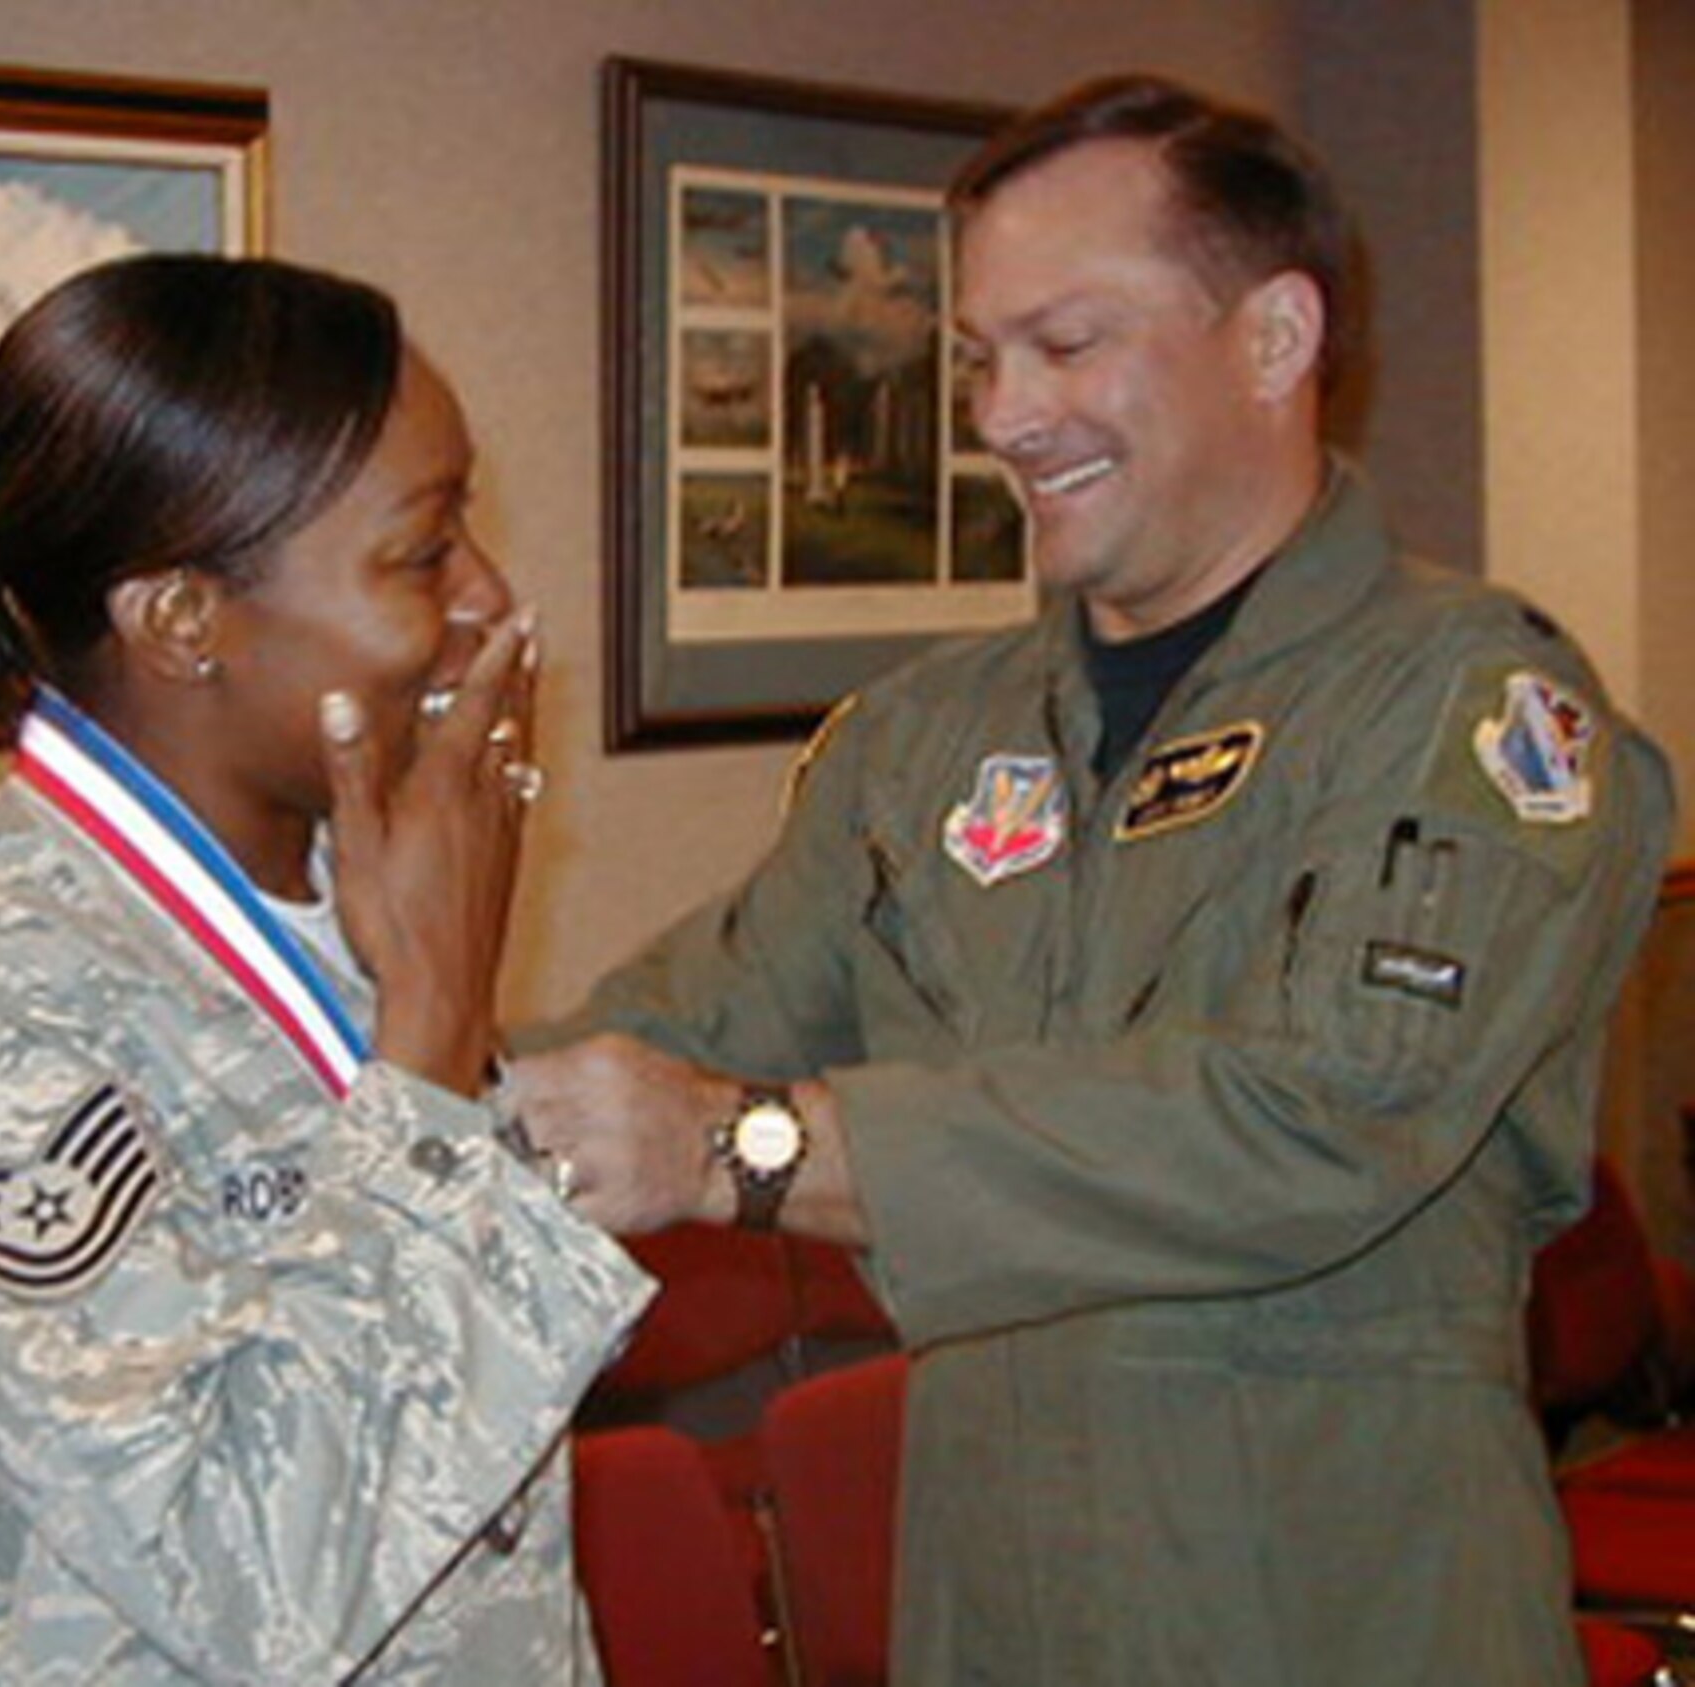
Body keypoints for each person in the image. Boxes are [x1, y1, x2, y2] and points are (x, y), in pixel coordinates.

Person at [509, 74, 1676, 1686]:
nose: (1000, 415)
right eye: (983, 357)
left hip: (1341, 1609)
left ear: (1275, 339)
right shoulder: (926, 744)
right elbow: (686, 1019)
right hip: (1000, 1610)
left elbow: (1314, 1121)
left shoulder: (1466, 709)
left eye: (1068, 346)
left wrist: (744, 1148)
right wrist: (367, 1076)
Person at [0, 254, 652, 1685]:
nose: (491, 602)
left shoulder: (351, 892)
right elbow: (254, 1580)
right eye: (424, 553)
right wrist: (429, 1044)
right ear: (185, 621)